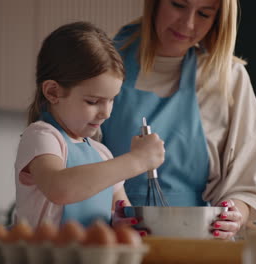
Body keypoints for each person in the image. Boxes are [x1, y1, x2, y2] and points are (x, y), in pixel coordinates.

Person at [100, 0, 256, 239]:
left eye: (204, 14)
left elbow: (253, 185)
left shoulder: (227, 80)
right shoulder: (101, 64)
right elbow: (66, 166)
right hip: (108, 240)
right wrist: (111, 211)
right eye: (178, 5)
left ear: (218, 19)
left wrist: (235, 214)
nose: (188, 23)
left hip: (196, 241)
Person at [14, 21, 165, 228]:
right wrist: (137, 160)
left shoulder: (102, 154)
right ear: (52, 92)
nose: (106, 112)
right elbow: (60, 188)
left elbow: (122, 215)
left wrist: (123, 223)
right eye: (93, 101)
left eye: (112, 100)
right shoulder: (42, 137)